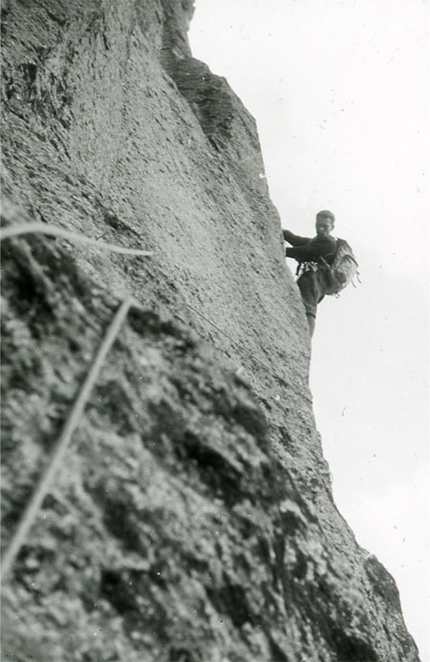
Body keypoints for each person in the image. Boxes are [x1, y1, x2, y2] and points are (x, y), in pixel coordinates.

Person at [283, 210, 337, 337]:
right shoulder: (317, 240)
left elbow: (305, 251)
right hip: (311, 279)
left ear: (332, 227)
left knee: (308, 310)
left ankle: (305, 342)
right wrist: (283, 232)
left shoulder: (328, 243)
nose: (321, 229)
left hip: (314, 280)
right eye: (319, 225)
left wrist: (282, 250)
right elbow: (297, 240)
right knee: (303, 308)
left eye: (325, 226)